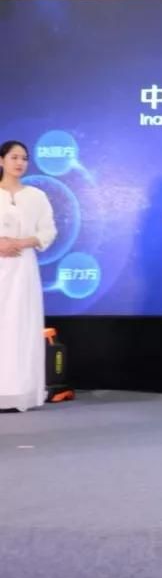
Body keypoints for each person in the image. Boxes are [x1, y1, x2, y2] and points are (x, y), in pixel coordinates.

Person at [0, 140, 57, 412]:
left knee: (20, 324)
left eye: (24, 158)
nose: (20, 163)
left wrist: (21, 242)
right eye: (14, 157)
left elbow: (48, 231)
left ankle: (20, 392)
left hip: (23, 268)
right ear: (1, 161)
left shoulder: (36, 196)